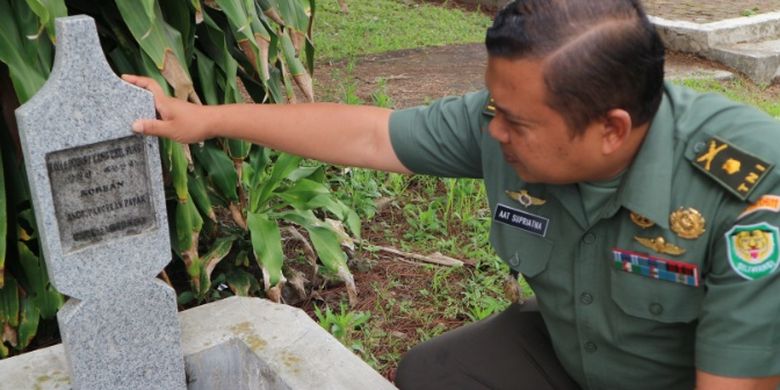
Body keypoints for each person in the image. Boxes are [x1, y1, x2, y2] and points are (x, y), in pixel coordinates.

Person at [122, 0, 780, 388]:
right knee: (436, 376)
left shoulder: (748, 189)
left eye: (514, 122)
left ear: (611, 130)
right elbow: (372, 135)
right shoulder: (508, 121)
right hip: (571, 349)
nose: (492, 133)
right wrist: (202, 118)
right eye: (492, 106)